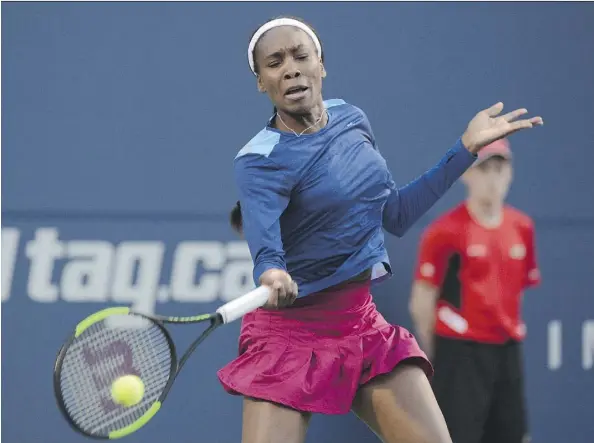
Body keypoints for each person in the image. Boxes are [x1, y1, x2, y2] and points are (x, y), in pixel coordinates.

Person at [217, 15, 543, 443]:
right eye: (274, 62)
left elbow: (396, 215)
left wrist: (465, 150)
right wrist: (272, 272)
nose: (291, 68)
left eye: (301, 55)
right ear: (262, 81)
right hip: (288, 339)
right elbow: (264, 236)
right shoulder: (258, 159)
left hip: (359, 326)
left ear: (321, 64)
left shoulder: (352, 119)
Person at [409, 139, 541, 443]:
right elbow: (421, 302)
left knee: (513, 435)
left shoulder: (522, 227)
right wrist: (440, 354)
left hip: (506, 351)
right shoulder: (444, 231)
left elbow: (516, 291)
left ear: (510, 174)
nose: (492, 178)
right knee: (455, 436)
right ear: (467, 175)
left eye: (499, 169)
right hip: (460, 352)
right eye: (484, 169)